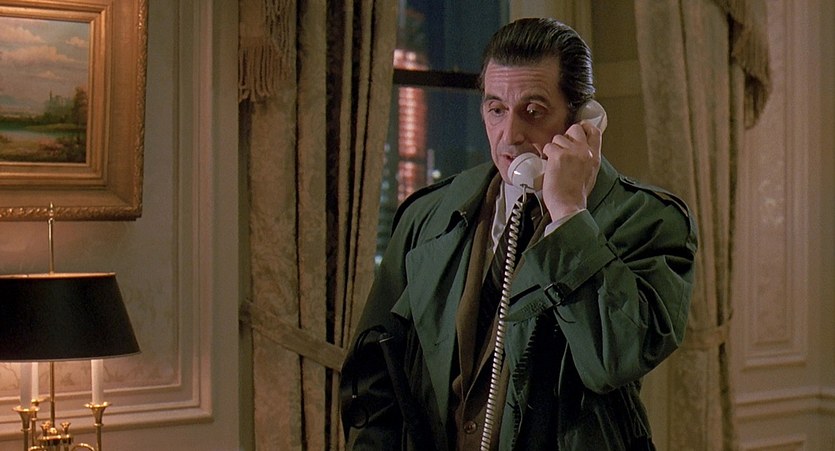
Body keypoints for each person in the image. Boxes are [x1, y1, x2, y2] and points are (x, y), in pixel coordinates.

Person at [340, 17, 697, 450]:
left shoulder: (649, 220)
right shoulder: (428, 214)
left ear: (582, 119)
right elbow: (374, 370)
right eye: (496, 110)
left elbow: (616, 359)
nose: (509, 135)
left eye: (533, 111)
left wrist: (569, 217)